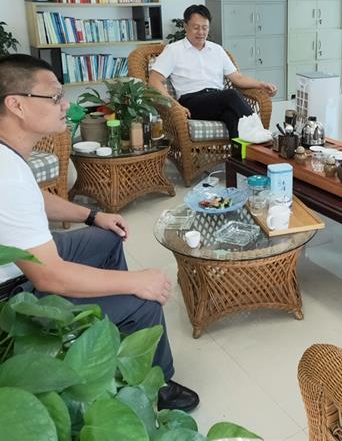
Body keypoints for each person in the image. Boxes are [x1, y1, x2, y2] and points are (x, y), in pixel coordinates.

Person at [0, 54, 198, 412]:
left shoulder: (9, 155)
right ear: (16, 105)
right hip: (14, 297)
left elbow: (36, 198)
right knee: (144, 303)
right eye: (54, 97)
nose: (65, 105)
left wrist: (92, 216)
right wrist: (135, 282)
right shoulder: (7, 174)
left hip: (25, 263)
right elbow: (50, 277)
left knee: (106, 237)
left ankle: (114, 342)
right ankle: (156, 384)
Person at [149, 4, 277, 138]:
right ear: (186, 27)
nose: (201, 32)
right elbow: (154, 80)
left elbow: (237, 78)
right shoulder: (173, 50)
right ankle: (261, 134)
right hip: (192, 103)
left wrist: (261, 84)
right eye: (196, 27)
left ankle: (241, 152)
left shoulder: (217, 50)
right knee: (231, 94)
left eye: (205, 28)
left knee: (232, 117)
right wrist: (175, 104)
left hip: (217, 100)